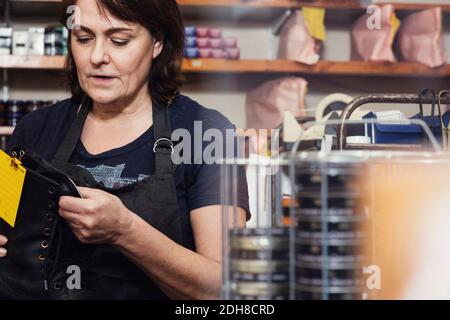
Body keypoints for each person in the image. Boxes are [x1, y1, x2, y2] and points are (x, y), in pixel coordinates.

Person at [0, 0, 249, 300]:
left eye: (119, 41)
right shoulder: (33, 129)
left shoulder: (206, 133)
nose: (97, 57)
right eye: (83, 38)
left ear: (157, 42)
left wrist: (125, 231)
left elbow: (225, 289)